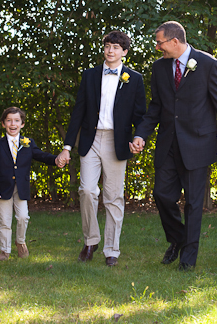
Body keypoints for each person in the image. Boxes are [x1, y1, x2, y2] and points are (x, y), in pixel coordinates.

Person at [131, 21, 217, 271]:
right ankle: (178, 238)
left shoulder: (207, 64)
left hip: (197, 144)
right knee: (161, 195)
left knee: (193, 203)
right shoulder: (159, 68)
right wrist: (141, 134)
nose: (157, 47)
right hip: (168, 144)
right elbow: (156, 107)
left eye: (159, 42)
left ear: (174, 41)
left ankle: (188, 259)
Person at [56, 30, 146, 267]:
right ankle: (90, 241)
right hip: (91, 139)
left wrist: (139, 137)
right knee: (87, 190)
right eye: (107, 46)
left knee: (113, 197)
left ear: (124, 52)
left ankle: (111, 250)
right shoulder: (90, 75)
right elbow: (78, 111)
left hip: (117, 141)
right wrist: (67, 147)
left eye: (116, 47)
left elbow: (140, 115)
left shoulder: (134, 79)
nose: (110, 50)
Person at [0, 107, 63, 261]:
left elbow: (41, 155)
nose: (12, 124)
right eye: (9, 120)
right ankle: (5, 250)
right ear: (3, 123)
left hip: (21, 188)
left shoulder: (27, 143)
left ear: (22, 124)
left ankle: (20, 242)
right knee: (5, 220)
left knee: (23, 217)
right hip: (3, 188)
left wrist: (56, 160)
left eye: (16, 120)